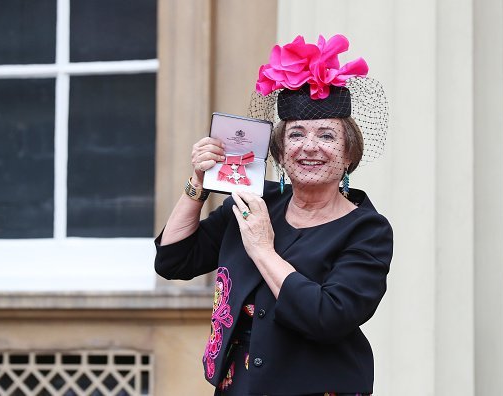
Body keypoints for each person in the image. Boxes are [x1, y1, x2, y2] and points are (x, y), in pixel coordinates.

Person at [155, 34, 393, 396]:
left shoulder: (366, 230)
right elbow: (173, 260)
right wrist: (199, 183)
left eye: (327, 136)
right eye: (296, 135)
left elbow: (327, 317)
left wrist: (263, 249)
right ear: (280, 155)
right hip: (239, 386)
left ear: (349, 156)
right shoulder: (254, 201)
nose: (310, 147)